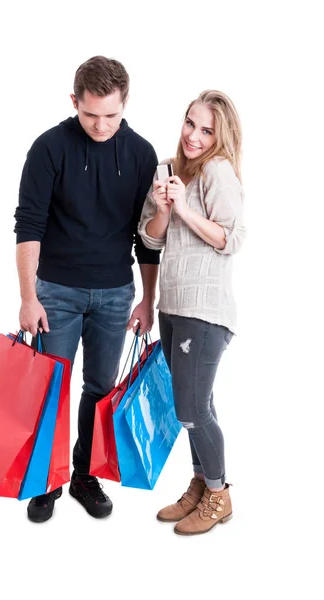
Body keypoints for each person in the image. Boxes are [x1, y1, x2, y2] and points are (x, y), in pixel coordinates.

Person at [14, 56, 160, 523]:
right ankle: (46, 480)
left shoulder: (141, 154)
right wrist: (28, 297)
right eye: (90, 113)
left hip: (116, 293)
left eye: (111, 115)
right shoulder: (49, 148)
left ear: (125, 104)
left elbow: (147, 238)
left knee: (100, 390)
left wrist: (147, 299)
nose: (101, 125)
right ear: (74, 102)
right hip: (56, 290)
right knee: (50, 389)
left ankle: (82, 475)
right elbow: (28, 226)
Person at [138, 90, 245, 535]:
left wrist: (183, 207)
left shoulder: (218, 172)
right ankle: (202, 484)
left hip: (205, 311)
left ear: (220, 138)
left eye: (206, 130)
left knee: (191, 408)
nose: (194, 136)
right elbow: (151, 239)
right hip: (173, 307)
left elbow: (232, 238)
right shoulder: (168, 169)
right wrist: (165, 209)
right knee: (196, 404)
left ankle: (219, 494)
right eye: (190, 124)